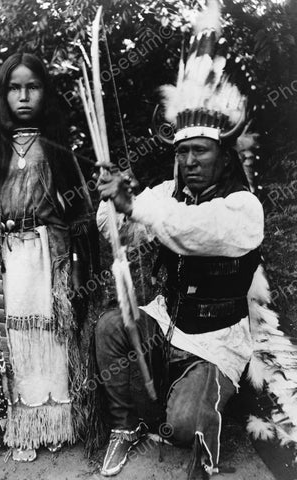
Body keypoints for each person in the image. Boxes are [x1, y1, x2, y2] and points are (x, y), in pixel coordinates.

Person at [94, 1, 267, 477]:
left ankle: (188, 413)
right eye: (183, 152)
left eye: (201, 152)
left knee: (184, 426)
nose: (190, 162)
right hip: (168, 320)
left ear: (224, 157)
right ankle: (126, 426)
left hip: (216, 341)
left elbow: (194, 232)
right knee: (112, 328)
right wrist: (115, 201)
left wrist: (138, 205)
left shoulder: (243, 208)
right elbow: (119, 231)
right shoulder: (168, 195)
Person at [0, 53, 97, 462]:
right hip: (6, 261)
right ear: (3, 96)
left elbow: (81, 215)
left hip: (47, 258)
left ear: (44, 93)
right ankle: (19, 425)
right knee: (14, 340)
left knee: (52, 336)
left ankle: (54, 422)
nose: (22, 96)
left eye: (31, 87)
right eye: (13, 88)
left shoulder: (56, 148)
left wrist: (75, 265)